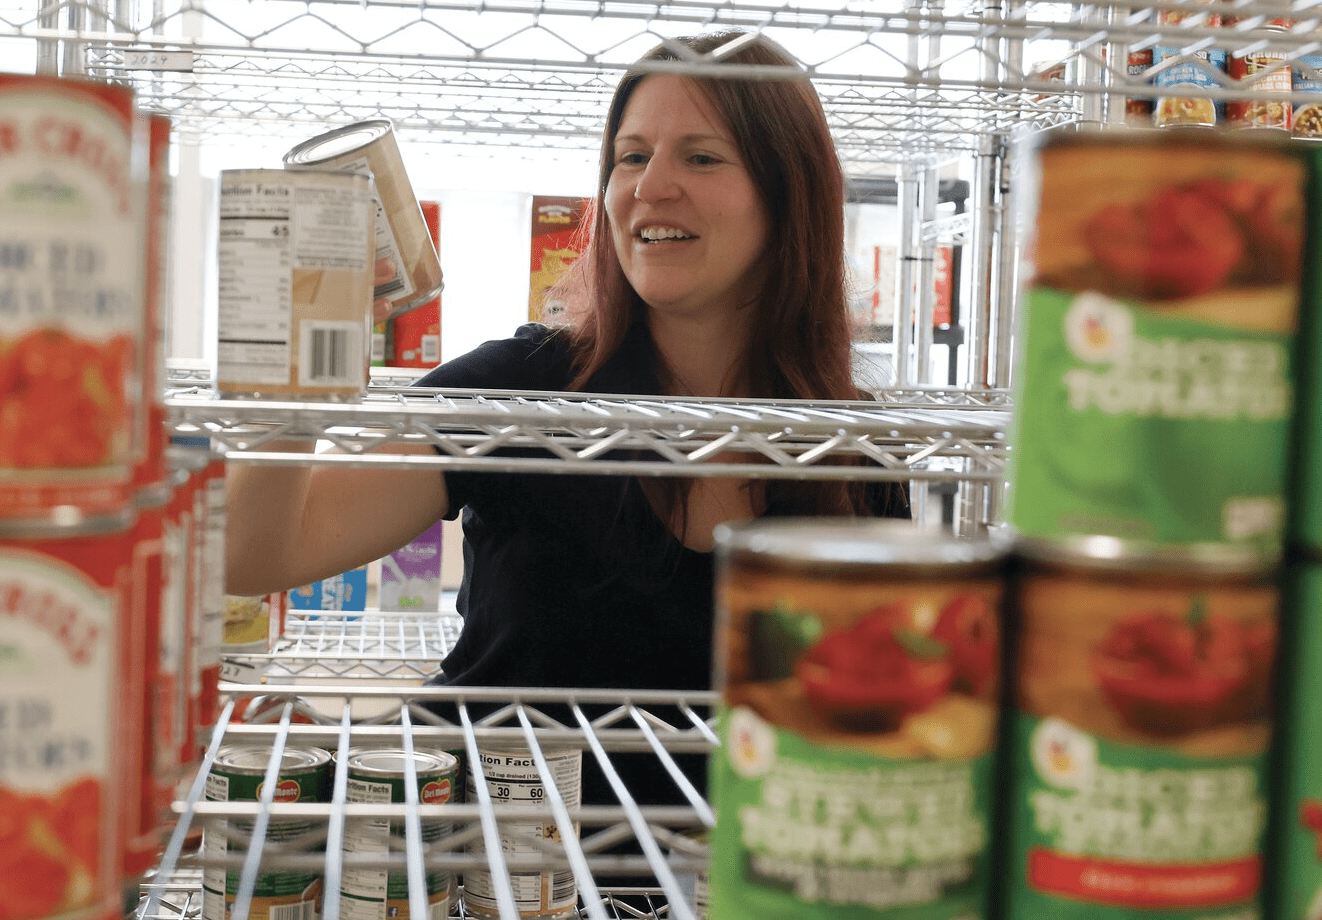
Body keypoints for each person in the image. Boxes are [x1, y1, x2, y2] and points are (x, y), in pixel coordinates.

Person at [225, 27, 907, 819]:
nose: (650, 188)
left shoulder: (855, 458)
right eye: (631, 156)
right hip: (487, 876)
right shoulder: (521, 389)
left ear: (788, 194)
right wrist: (295, 374)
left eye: (702, 156)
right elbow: (254, 556)